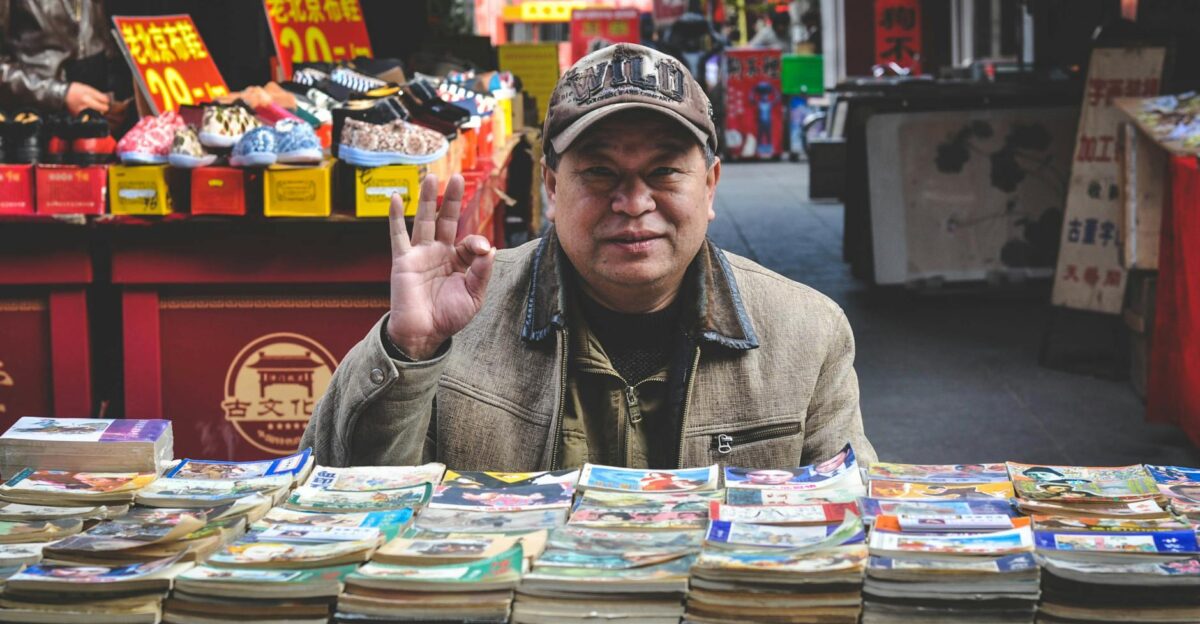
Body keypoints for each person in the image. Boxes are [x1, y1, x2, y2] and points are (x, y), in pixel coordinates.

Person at [300, 43, 876, 470]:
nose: (633, 203)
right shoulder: (460, 320)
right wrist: (409, 353)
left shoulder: (807, 334)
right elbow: (340, 497)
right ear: (552, 188)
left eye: (664, 171)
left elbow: (852, 526)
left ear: (711, 186)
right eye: (600, 172)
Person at [0, 0, 129, 119]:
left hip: (93, 121)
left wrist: (112, 101)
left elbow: (102, 41)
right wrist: (59, 94)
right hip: (33, 124)